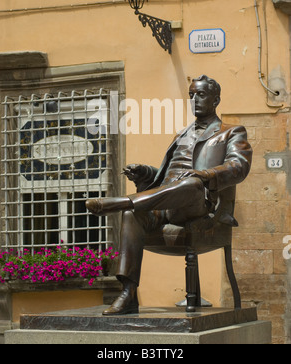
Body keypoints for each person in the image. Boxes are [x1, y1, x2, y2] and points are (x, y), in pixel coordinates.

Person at [86, 75, 252, 315]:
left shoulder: (231, 132)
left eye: (201, 95)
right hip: (166, 201)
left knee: (192, 184)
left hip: (197, 203)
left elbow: (239, 167)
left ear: (216, 100)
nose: (194, 99)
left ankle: (120, 202)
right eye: (191, 95)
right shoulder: (181, 134)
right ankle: (128, 294)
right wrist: (145, 172)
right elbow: (165, 178)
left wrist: (205, 175)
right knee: (132, 215)